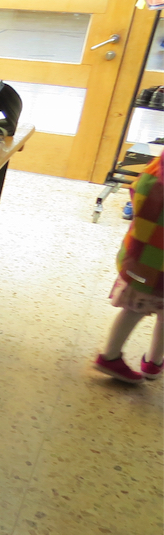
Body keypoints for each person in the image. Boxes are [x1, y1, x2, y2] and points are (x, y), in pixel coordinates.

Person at [93, 151, 163, 383]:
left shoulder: (158, 165)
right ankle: (113, 356)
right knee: (136, 307)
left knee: (137, 305)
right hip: (155, 258)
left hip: (144, 251)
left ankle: (152, 362)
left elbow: (138, 189)